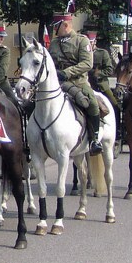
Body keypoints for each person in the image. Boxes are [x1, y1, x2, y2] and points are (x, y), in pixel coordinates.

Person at [49, 13, 102, 156]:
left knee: (92, 103)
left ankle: (94, 139)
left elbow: (87, 63)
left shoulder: (82, 41)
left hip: (78, 82)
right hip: (58, 83)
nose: (54, 29)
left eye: (56, 26)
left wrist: (67, 72)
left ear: (65, 25)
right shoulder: (54, 43)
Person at [85, 30, 119, 110]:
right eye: (86, 42)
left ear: (95, 42)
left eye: (90, 42)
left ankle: (117, 117)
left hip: (100, 84)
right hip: (86, 83)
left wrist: (98, 74)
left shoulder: (102, 53)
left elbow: (110, 70)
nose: (88, 44)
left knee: (114, 104)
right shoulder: (82, 53)